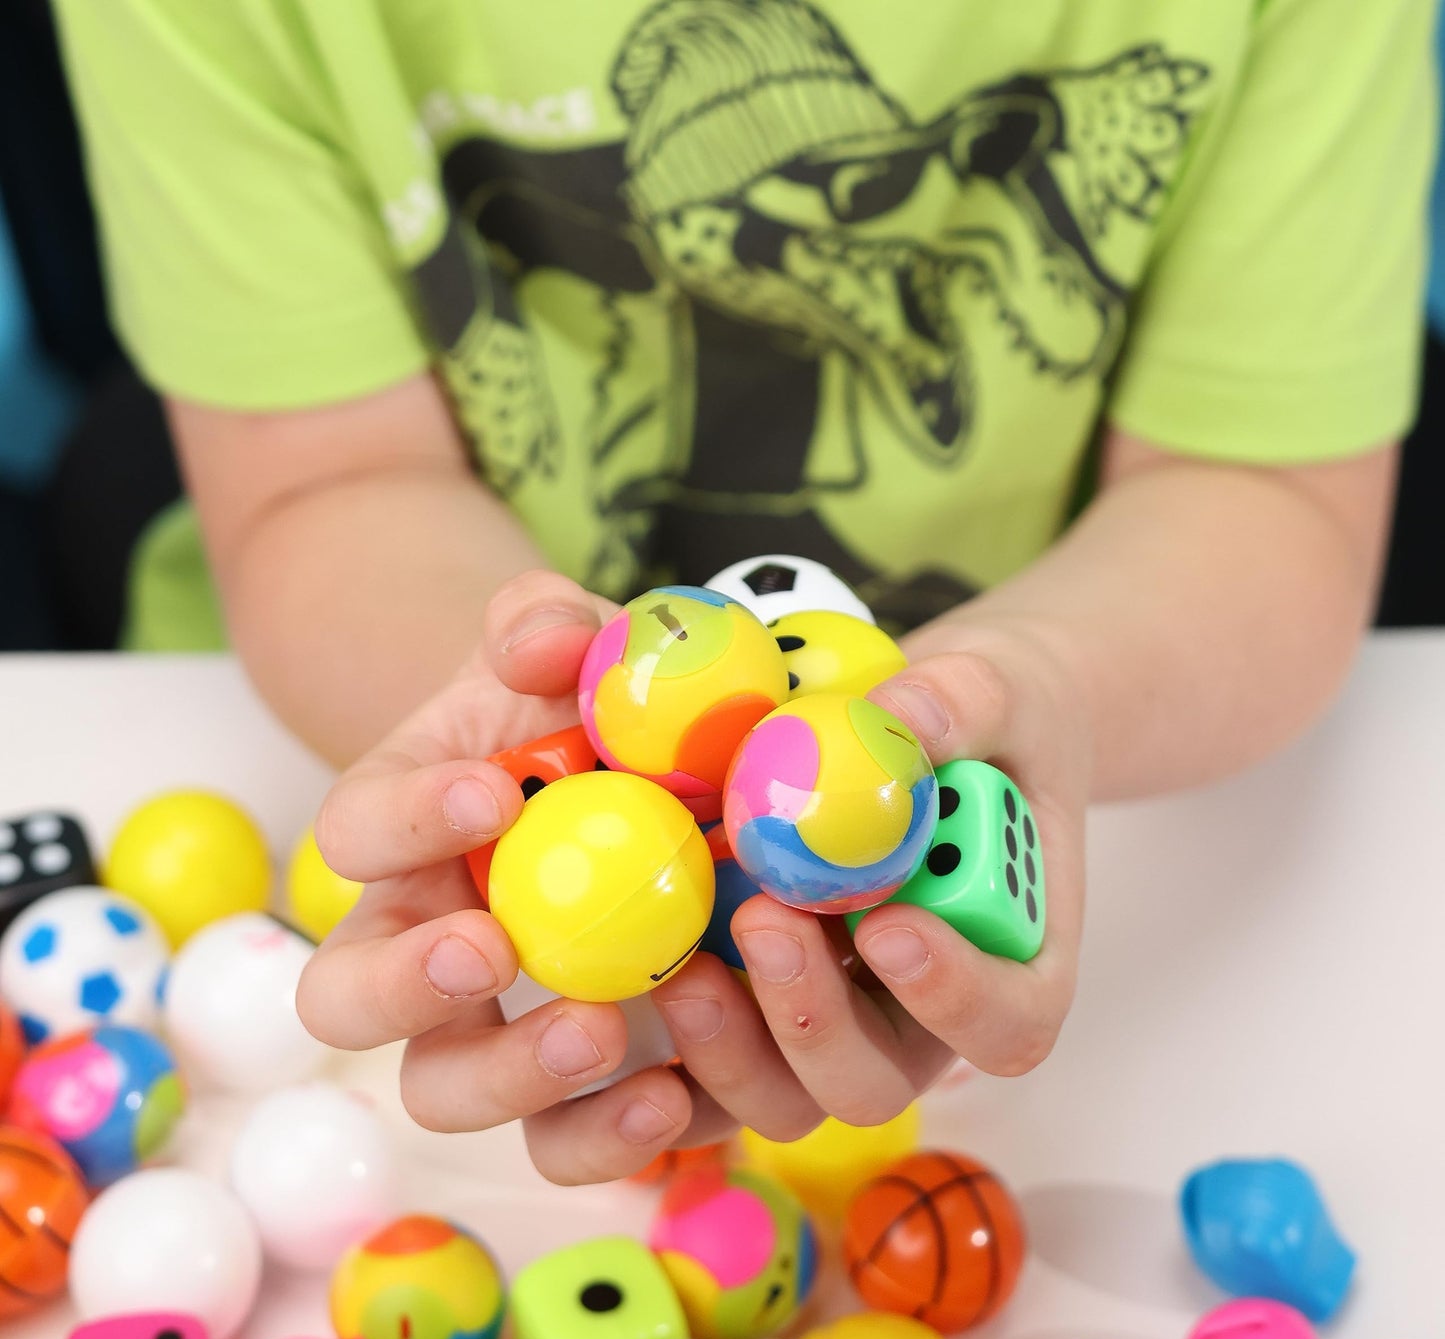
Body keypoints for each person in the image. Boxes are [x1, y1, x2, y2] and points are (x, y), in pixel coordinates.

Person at [52, 0, 1434, 1184]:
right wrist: (553, 761)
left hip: (1148, 804)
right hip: (344, 755)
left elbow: (1263, 493)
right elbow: (327, 487)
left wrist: (1029, 686)